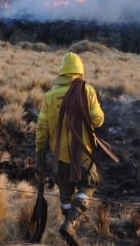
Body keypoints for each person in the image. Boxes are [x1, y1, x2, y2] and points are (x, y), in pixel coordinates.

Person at [35, 52, 105, 244]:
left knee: (65, 193)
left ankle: (69, 223)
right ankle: (71, 222)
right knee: (89, 184)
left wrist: (39, 153)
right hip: (83, 156)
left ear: (62, 73)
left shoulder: (49, 96)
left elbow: (41, 129)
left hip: (60, 158)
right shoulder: (87, 91)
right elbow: (98, 120)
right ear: (79, 72)